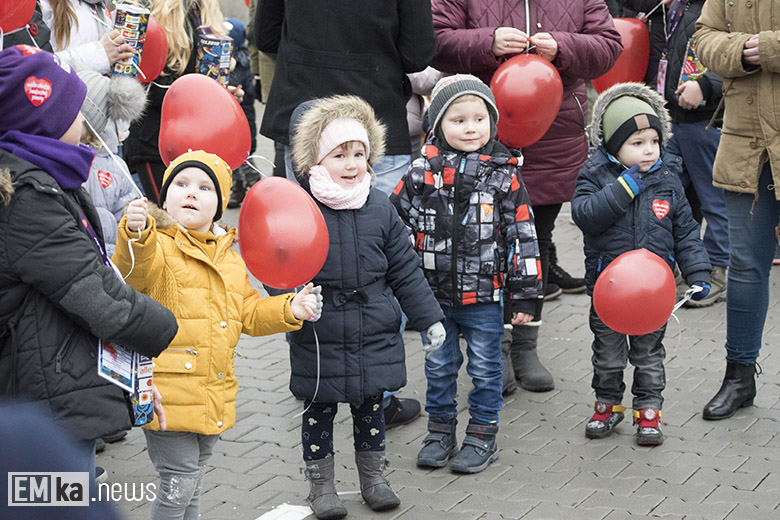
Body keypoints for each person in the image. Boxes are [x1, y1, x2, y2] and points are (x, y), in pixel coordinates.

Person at [0, 45, 178, 482]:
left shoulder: (45, 181)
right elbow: (93, 292)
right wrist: (169, 327)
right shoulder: (29, 200)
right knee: (58, 498)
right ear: (44, 124)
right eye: (74, 113)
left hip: (51, 380)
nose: (85, 124)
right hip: (43, 395)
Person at [113, 150, 320, 519]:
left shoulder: (229, 258)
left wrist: (290, 309)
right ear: (165, 195)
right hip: (167, 392)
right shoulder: (158, 242)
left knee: (192, 483)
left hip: (213, 391)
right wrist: (134, 232)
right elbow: (135, 272)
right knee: (179, 480)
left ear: (221, 204)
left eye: (204, 187)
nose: (191, 192)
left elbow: (249, 314)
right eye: (181, 184)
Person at [431, 0, 622, 393]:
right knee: (483, 246)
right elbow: (432, 39)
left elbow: (608, 45)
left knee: (536, 242)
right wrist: (489, 42)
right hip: (479, 134)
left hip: (555, 134)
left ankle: (525, 346)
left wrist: (564, 48)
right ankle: (492, 349)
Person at [289, 95, 445, 519]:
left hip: (373, 325)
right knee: (317, 408)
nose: (352, 163)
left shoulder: (380, 206)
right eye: (340, 154)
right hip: (319, 328)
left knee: (371, 407)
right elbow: (279, 263)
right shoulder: (301, 207)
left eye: (359, 153)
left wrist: (429, 318)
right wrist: (289, 303)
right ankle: (321, 487)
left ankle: (374, 478)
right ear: (316, 159)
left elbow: (405, 271)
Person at [391, 75, 543, 473]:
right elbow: (393, 226)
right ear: (437, 124)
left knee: (485, 366)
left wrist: (525, 294)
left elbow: (523, 235)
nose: (471, 127)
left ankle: (482, 433)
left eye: (480, 118)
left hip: (484, 297)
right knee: (439, 367)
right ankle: (440, 431)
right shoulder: (419, 172)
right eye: (458, 120)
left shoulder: (504, 174)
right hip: (432, 297)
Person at [571, 82, 711, 445]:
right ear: (614, 146)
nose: (649, 150)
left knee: (649, 355)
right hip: (610, 292)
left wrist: (697, 271)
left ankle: (648, 412)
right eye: (637, 143)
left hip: (653, 293)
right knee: (607, 354)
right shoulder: (595, 174)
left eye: (653, 141)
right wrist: (625, 186)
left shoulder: (668, 180)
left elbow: (685, 232)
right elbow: (585, 215)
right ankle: (608, 405)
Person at [694, 0, 780, 420]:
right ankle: (739, 377)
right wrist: (740, 50)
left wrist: (765, 48)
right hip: (746, 143)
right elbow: (703, 37)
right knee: (744, 265)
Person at [254, 0, 436, 193]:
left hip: (305, 104)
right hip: (376, 107)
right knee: (380, 218)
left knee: (310, 218)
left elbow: (266, 38)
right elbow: (417, 55)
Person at [123, 0, 239, 204]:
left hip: (200, 141)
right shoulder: (150, 10)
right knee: (167, 222)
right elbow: (140, 84)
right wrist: (196, 93)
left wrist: (223, 92)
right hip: (155, 142)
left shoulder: (205, 10)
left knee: (195, 223)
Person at [78, 70, 146, 258]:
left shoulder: (116, 167)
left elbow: (123, 216)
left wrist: (133, 224)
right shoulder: (61, 157)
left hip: (111, 260)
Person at [40, 0, 135, 75]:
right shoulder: (43, 5)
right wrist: (100, 54)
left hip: (95, 95)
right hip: (62, 95)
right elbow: (36, 66)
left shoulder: (99, 9)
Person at [225, 17, 260, 209]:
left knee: (245, 160)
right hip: (228, 125)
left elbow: (248, 95)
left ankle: (255, 187)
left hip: (243, 123)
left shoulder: (242, 66)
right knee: (232, 163)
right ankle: (238, 187)